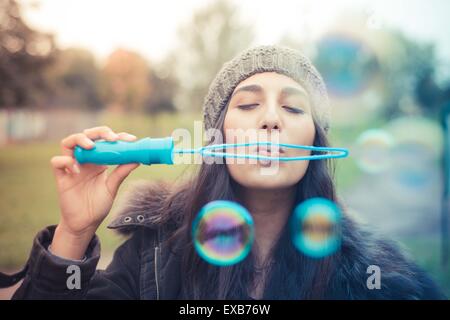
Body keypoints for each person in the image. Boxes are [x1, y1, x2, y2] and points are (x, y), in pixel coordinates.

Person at [2, 45, 446, 299]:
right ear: (215, 138)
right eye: (248, 104)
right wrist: (74, 234)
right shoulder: (152, 255)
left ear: (314, 141)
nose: (270, 120)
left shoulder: (380, 278)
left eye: (293, 107)